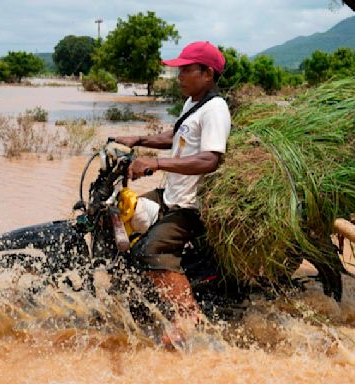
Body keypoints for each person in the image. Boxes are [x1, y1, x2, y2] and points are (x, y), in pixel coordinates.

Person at [115, 41, 231, 345]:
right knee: (120, 218)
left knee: (150, 249)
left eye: (185, 70)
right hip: (170, 194)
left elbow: (210, 159)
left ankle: (187, 312)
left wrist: (154, 163)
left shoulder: (215, 109)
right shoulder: (193, 103)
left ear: (207, 73)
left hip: (190, 206)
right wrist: (138, 139)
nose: (178, 76)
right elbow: (175, 135)